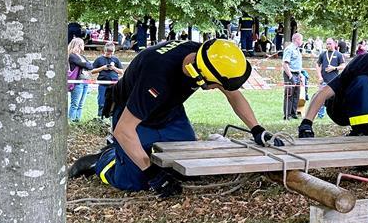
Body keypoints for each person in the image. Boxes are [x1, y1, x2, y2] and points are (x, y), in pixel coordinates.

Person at [70, 39, 277, 196]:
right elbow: (124, 130)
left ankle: (137, 156)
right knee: (135, 182)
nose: (218, 89)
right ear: (199, 76)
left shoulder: (206, 56)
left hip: (170, 111)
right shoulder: (157, 75)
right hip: (133, 114)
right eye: (215, 85)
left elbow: (233, 94)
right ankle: (105, 158)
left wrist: (257, 129)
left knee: (184, 167)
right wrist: (151, 173)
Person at [90, 42, 123, 119]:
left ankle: (111, 116)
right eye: (108, 52)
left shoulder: (116, 59)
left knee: (113, 101)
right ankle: (100, 116)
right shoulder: (99, 59)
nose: (110, 54)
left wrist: (113, 68)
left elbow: (121, 72)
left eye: (111, 52)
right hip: (102, 84)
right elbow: (92, 71)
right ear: (105, 50)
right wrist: (103, 68)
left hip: (114, 84)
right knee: (101, 101)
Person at [67, 37, 92, 122]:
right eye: (82, 44)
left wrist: (85, 64)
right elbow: (84, 65)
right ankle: (71, 120)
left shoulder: (82, 56)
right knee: (75, 104)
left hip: (85, 81)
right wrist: (85, 64)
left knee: (81, 104)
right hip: (78, 82)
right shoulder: (72, 56)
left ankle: (77, 120)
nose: (83, 46)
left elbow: (90, 66)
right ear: (78, 45)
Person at [282, 32, 304, 119]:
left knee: (296, 94)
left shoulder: (297, 50)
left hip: (297, 74)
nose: (302, 41)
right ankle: (287, 115)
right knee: (289, 94)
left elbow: (297, 64)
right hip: (290, 74)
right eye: (301, 39)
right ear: (297, 39)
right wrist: (290, 76)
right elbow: (285, 64)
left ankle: (293, 113)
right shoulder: (289, 49)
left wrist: (300, 74)